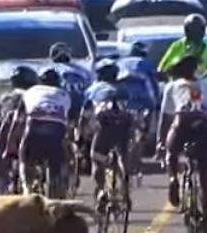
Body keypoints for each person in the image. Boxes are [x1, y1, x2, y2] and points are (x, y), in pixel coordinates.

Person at [157, 55, 207, 233]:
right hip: (203, 125)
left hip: (181, 123)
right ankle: (206, 222)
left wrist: (161, 142)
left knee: (171, 152)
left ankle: (173, 179)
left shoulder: (172, 86)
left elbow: (165, 118)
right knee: (205, 176)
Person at [18, 68, 74, 197]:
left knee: (24, 156)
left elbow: (18, 120)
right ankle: (57, 184)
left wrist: (10, 143)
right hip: (56, 129)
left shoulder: (30, 91)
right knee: (57, 163)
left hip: (34, 127)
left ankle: (26, 186)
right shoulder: (64, 94)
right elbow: (70, 121)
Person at [84, 62, 134, 205]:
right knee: (123, 153)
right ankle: (125, 182)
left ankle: (100, 190)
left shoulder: (93, 89)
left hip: (104, 126)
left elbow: (85, 114)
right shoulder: (124, 89)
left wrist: (84, 131)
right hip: (124, 124)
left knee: (96, 157)